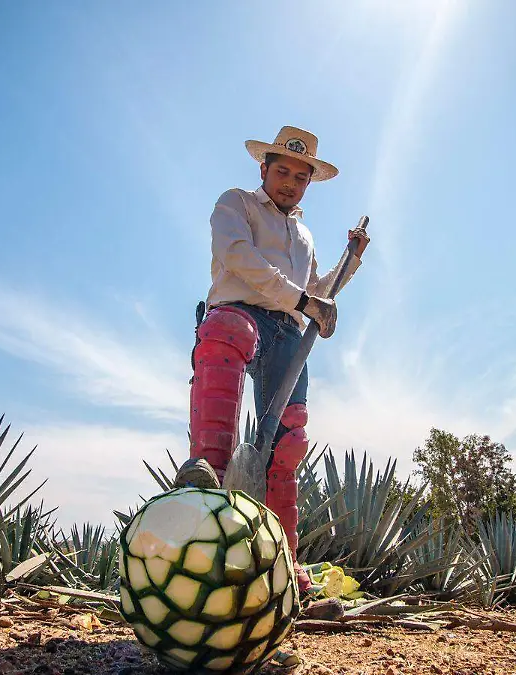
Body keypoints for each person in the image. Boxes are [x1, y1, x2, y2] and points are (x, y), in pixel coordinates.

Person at [178, 125, 369, 598]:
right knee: (225, 333)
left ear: (308, 183)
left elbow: (316, 293)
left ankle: (285, 562)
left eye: (300, 177)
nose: (289, 182)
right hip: (237, 312)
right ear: (263, 167)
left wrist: (352, 259)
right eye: (281, 170)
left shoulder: (303, 235)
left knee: (288, 443)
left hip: (286, 331)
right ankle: (207, 471)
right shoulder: (235, 204)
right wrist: (304, 302)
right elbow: (237, 257)